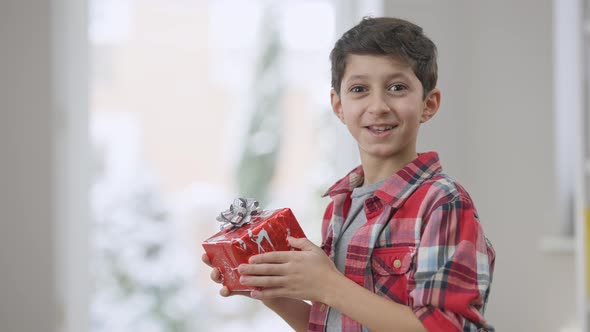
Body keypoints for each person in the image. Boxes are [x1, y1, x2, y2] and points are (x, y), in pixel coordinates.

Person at [202, 16, 495, 332]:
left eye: (397, 87)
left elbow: (444, 328)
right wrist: (271, 293)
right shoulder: (339, 207)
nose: (378, 105)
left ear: (429, 104)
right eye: (359, 89)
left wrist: (327, 284)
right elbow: (334, 323)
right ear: (338, 105)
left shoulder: (442, 202)